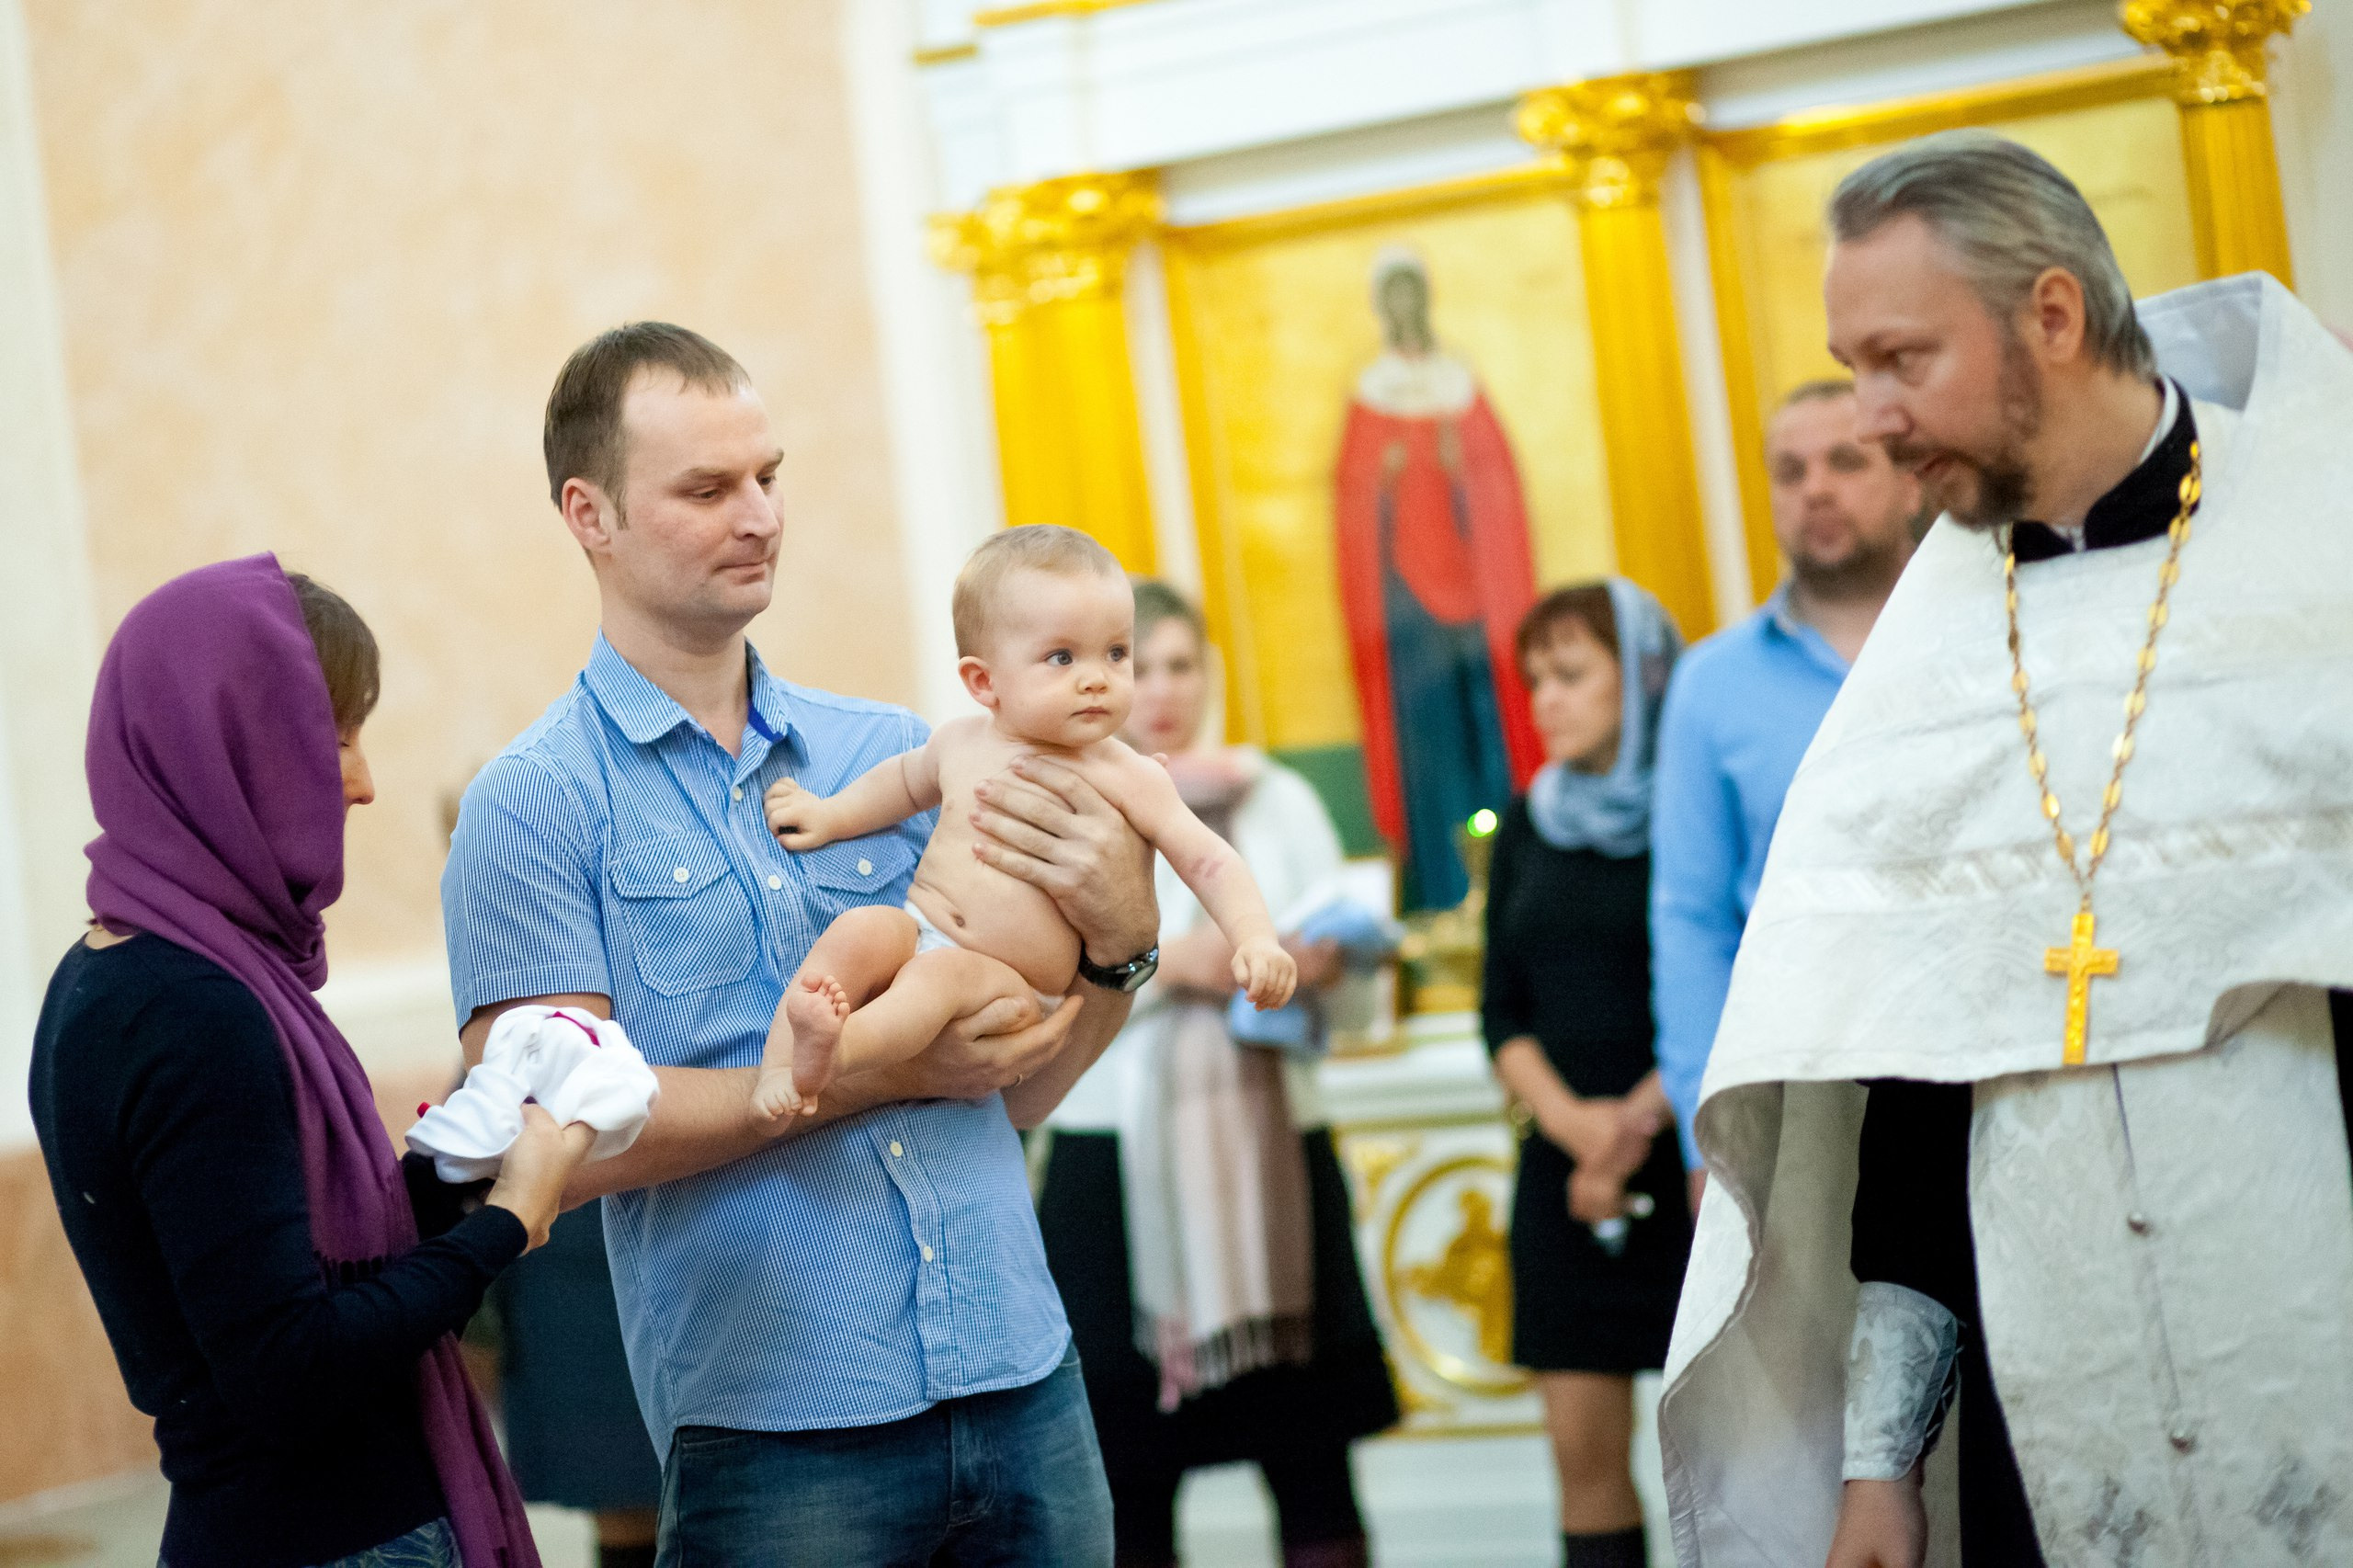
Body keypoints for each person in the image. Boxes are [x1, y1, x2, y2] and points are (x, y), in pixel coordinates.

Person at [1659, 132, 2353, 1565]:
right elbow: (1906, 1103)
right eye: (1853, 366)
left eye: (1902, 359)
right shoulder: (1933, 651)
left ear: (2051, 313)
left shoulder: (2319, 557)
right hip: (2054, 1420)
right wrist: (1878, 1464)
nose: (1875, 414)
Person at [441, 323, 1163, 1567]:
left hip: (1019, 1370)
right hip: (780, 1430)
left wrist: (1120, 954)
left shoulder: (891, 749)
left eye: (769, 475)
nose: (760, 515)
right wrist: (869, 1073)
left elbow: (1025, 1081)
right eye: (708, 489)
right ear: (589, 512)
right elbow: (537, 1151)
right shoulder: (539, 799)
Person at [29, 558, 595, 1568]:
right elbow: (292, 1367)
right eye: (331, 734)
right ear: (230, 746)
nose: (363, 780)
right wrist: (508, 1221)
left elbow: (297, 1262)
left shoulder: (105, 975)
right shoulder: (196, 1010)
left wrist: (453, 1172)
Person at [1034, 580, 1399, 1568]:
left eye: (1179, 664)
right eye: (1133, 663)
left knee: (1309, 1449)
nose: (1158, 687)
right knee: (1128, 1468)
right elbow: (1028, 995)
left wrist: (1316, 968)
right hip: (1111, 1162)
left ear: (1211, 674)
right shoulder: (1060, 799)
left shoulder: (1276, 796)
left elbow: (1360, 1013)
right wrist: (1164, 971)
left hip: (1273, 1153)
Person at [755, 527, 1296, 1119]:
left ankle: (836, 1048)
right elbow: (900, 786)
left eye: (1116, 653)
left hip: (1010, 985)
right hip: (921, 932)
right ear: (984, 682)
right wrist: (828, 815)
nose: (1097, 677)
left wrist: (1255, 938)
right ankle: (780, 1067)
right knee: (860, 931)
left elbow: (1208, 859)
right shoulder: (958, 742)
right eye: (1062, 657)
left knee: (934, 985)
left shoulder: (1127, 773)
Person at [1649, 381, 1920, 1199]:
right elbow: (1692, 920)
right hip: (1804, 1095)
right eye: (1790, 471)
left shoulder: (1981, 637)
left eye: (1846, 461)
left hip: (1983, 1059)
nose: (1818, 489)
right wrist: (1707, 1135)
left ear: (1911, 478)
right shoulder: (1711, 686)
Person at [1483, 579, 1694, 1568]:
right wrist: (1578, 1128)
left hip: (1693, 1147)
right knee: (1582, 1458)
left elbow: (1727, 977)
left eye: (1571, 674)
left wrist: (1634, 1124)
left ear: (1642, 677)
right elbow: (1501, 1009)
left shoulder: (1692, 805)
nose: (1547, 701)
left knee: (1730, 1442)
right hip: (1561, 1171)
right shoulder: (1528, 819)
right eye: (1536, 681)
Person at [1333, 247, 1544, 912]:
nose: (1404, 309)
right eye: (1391, 298)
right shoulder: (1371, 394)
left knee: (1492, 734)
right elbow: (1352, 498)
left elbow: (1498, 483)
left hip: (1477, 606)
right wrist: (1385, 481)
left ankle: (1513, 886)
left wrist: (1464, 470)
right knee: (1430, 753)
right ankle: (1445, 893)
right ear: (1381, 308)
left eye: (1411, 295)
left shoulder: (1461, 384)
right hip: (1409, 613)